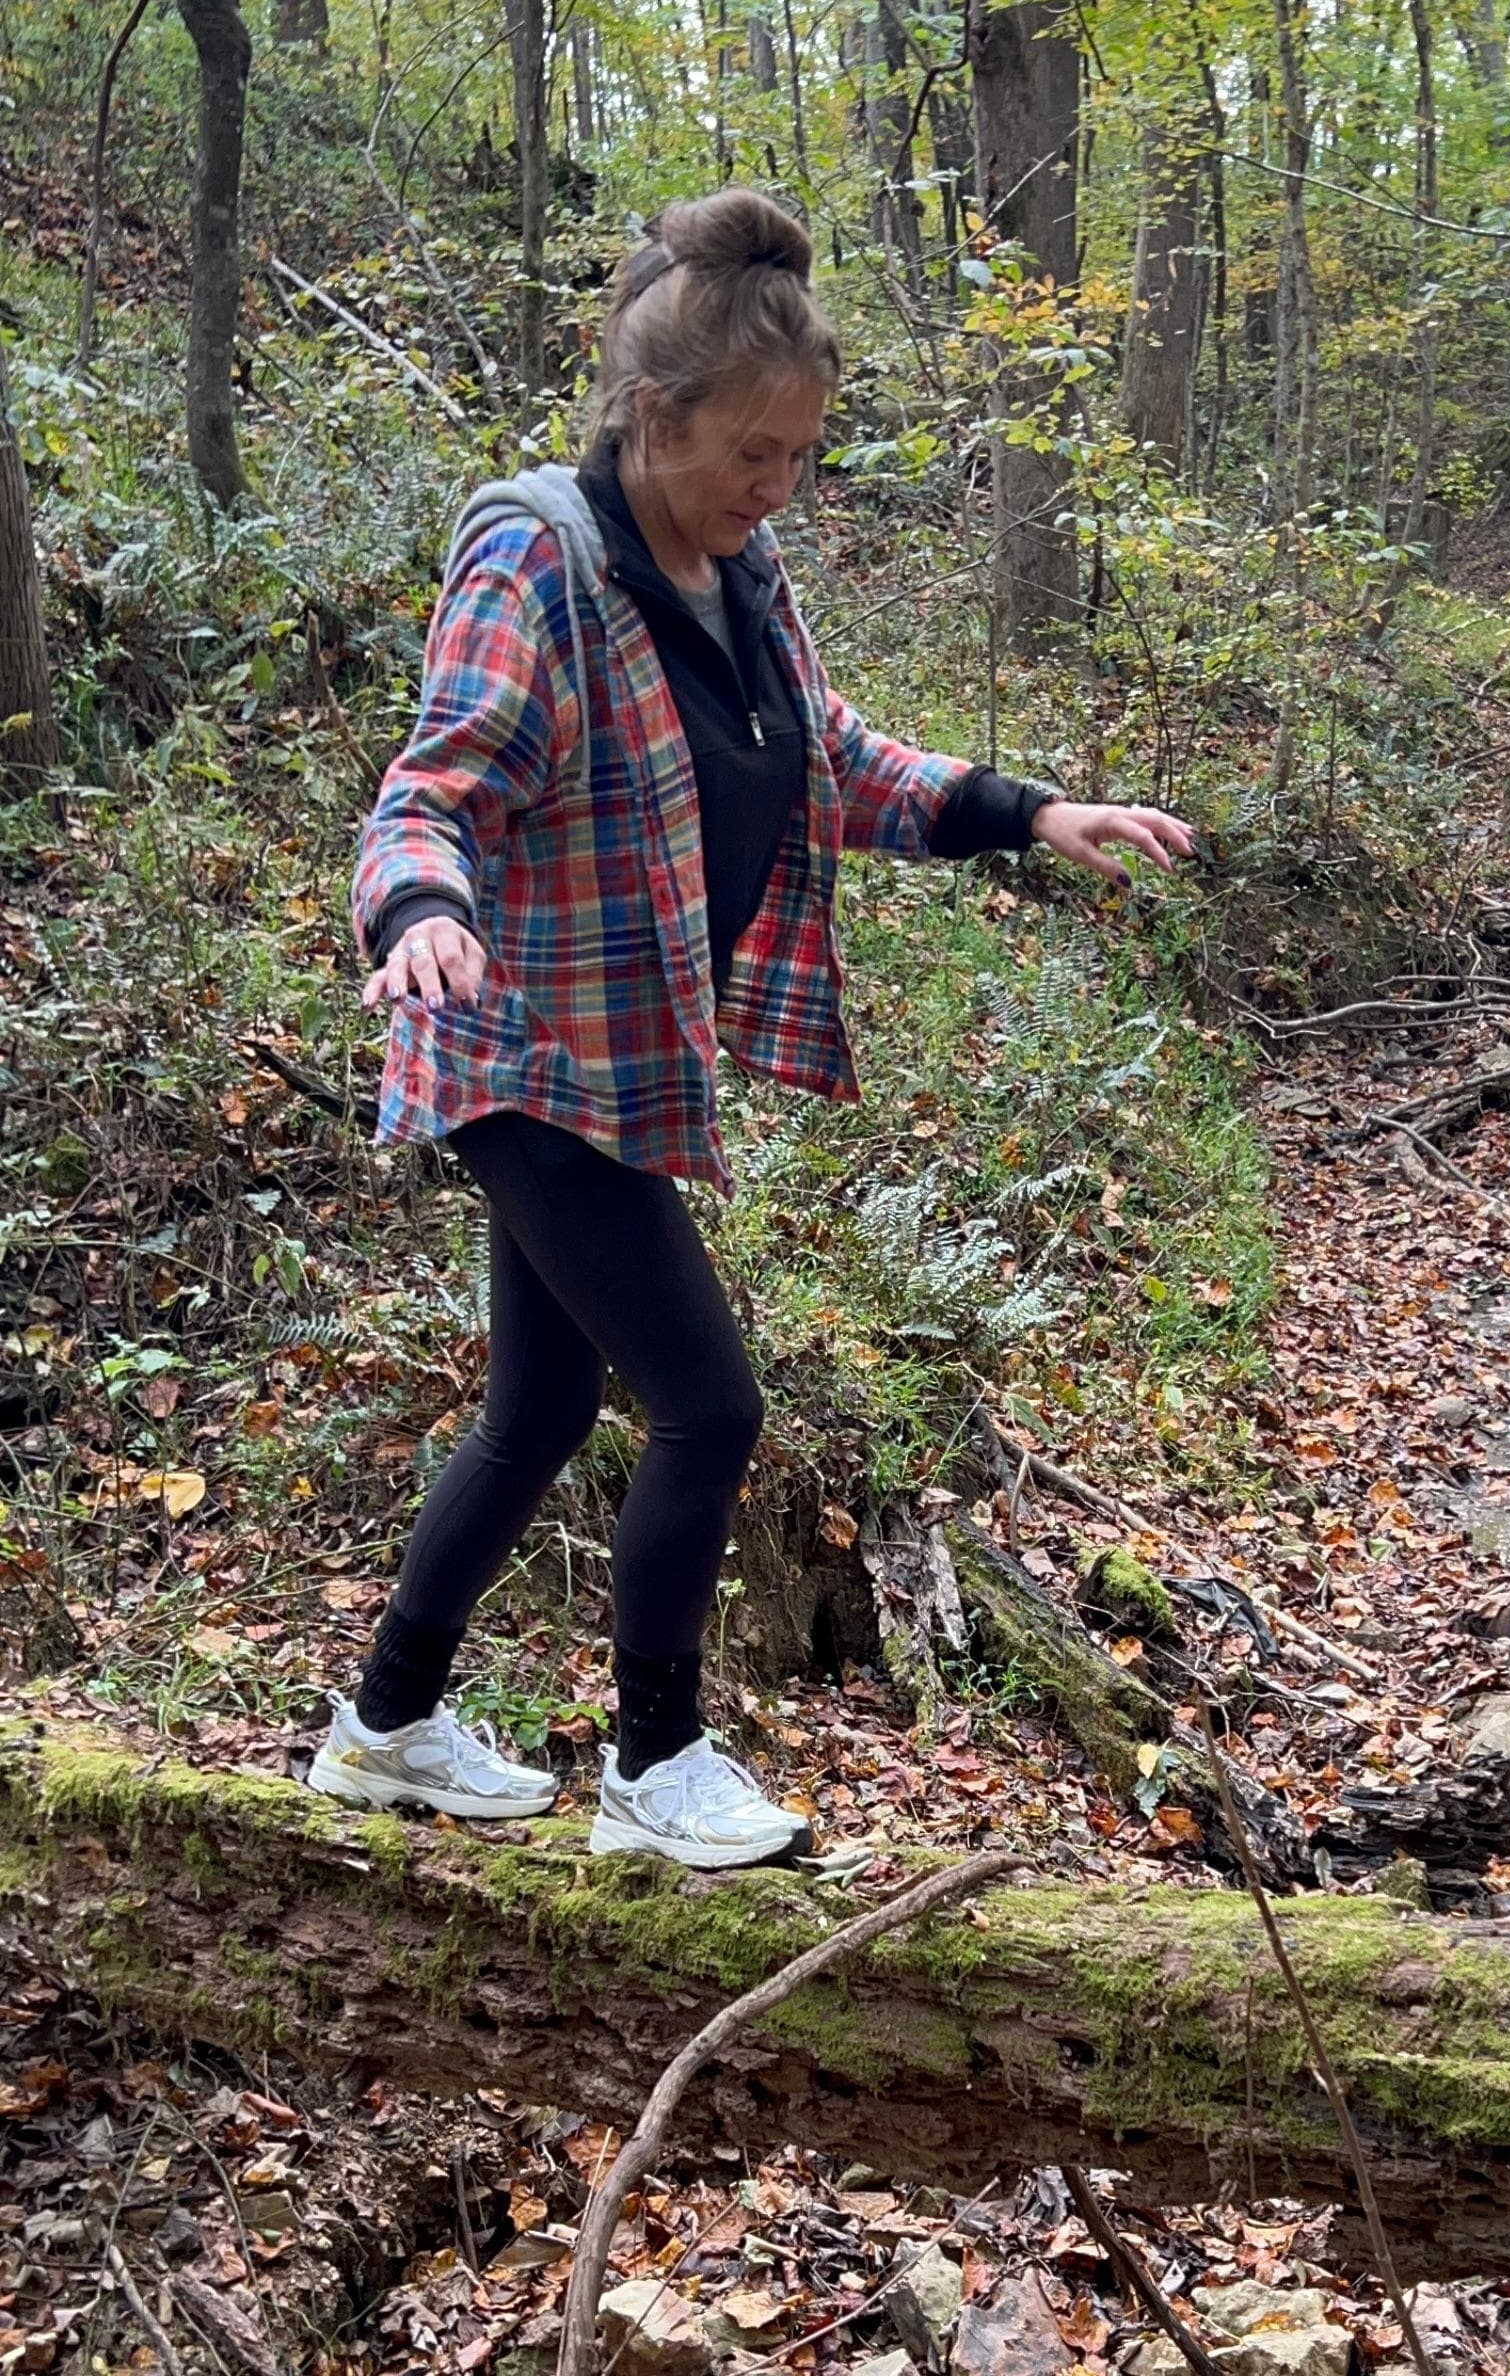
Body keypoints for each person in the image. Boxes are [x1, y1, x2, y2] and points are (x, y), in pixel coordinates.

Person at [309, 188, 1193, 1868]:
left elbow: (831, 760)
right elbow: (435, 787)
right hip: (516, 1054)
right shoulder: (539, 557)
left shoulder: (736, 574)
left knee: (542, 1411)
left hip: (617, 1061)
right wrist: (418, 914)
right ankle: (657, 1762)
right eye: (752, 455)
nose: (777, 486)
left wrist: (1028, 812)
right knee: (709, 1407)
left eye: (799, 456)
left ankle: (387, 1723)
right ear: (655, 418)